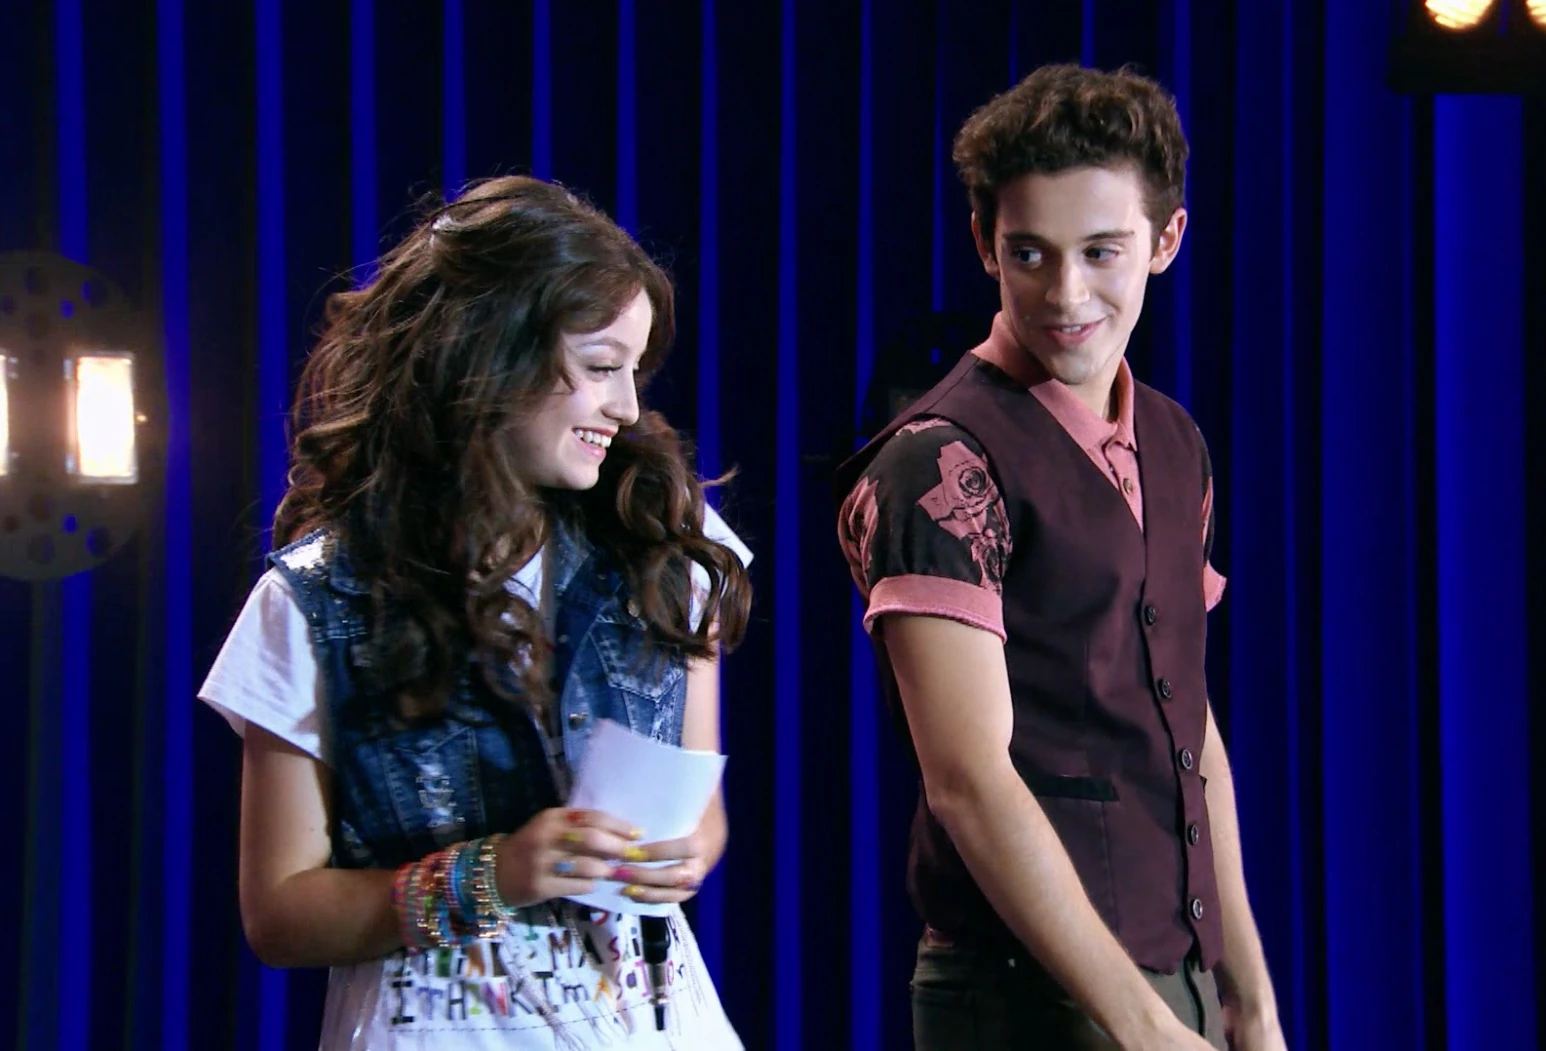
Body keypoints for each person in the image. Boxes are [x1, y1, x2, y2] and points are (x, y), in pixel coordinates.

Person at [200, 176, 752, 1049]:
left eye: (634, 370)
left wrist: (680, 853)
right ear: (491, 355)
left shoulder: (662, 543)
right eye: (600, 367)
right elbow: (280, 912)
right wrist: (491, 874)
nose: (627, 406)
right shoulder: (315, 600)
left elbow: (699, 809)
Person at [833, 65, 1285, 1050]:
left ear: (1166, 240)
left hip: (1175, 981)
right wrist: (1141, 1026)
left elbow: (1191, 731)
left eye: (1100, 252)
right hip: (1024, 999)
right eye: (1028, 253)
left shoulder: (1174, 441)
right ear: (982, 243)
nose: (1064, 293)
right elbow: (968, 781)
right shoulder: (938, 460)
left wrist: (1247, 996)